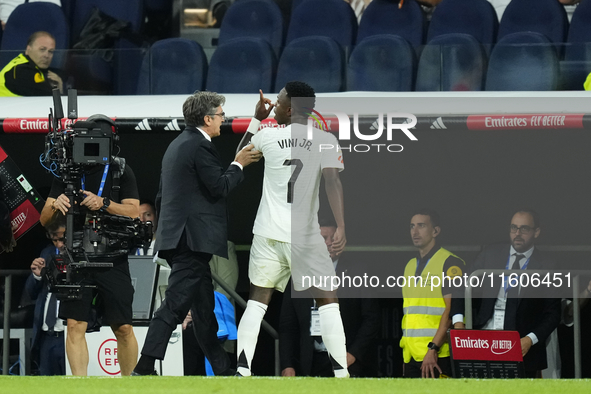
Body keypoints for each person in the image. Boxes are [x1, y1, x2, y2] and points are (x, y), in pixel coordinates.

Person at [132, 91, 262, 376]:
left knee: (204, 312)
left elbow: (161, 197)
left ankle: (222, 368)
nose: (223, 119)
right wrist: (240, 165)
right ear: (207, 119)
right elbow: (220, 187)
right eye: (220, 115)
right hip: (190, 242)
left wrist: (256, 121)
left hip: (181, 239)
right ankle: (144, 367)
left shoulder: (179, 144)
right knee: (174, 306)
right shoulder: (199, 147)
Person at [235, 82, 349, 378]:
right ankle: (341, 375)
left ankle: (242, 372)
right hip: (305, 236)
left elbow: (238, 157)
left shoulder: (267, 134)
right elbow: (332, 183)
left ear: (288, 108)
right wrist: (341, 226)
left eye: (277, 101)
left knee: (257, 302)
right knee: (328, 302)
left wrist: (257, 118)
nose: (273, 104)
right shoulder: (325, 139)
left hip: (268, 233)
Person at [40, 114, 140, 376]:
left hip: (113, 254)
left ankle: (131, 385)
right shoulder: (67, 170)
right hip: (77, 255)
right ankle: (80, 388)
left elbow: (133, 212)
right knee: (74, 324)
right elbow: (44, 219)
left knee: (123, 327)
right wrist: (55, 203)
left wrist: (104, 203)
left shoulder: (121, 169)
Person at [450, 209, 561, 378]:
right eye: (513, 228)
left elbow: (553, 314)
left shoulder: (547, 265)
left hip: (521, 345)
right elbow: (461, 286)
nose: (517, 233)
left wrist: (530, 340)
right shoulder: (491, 253)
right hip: (484, 340)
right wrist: (458, 323)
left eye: (524, 229)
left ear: (536, 232)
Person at [280, 217, 379, 377]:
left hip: (347, 361)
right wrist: (288, 365)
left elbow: (371, 318)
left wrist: (353, 354)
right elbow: (287, 325)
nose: (328, 243)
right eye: (323, 238)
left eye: (333, 238)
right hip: (310, 362)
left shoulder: (358, 272)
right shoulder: (299, 274)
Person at [401, 209, 465, 378]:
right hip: (411, 356)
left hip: (437, 354)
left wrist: (433, 348)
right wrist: (407, 354)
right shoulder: (409, 265)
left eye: (421, 226)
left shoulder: (451, 263)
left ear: (435, 231)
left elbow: (450, 310)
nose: (415, 231)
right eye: (412, 226)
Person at [24, 213, 67, 375]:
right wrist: (36, 275)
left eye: (63, 239)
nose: (59, 244)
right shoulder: (47, 253)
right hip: (46, 336)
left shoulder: (81, 255)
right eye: (55, 239)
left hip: (69, 334)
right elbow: (30, 293)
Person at [0, 31, 63, 96]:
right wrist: (59, 90)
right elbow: (49, 100)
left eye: (51, 51)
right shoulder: (23, 71)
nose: (46, 55)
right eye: (42, 49)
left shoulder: (24, 63)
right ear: (28, 49)